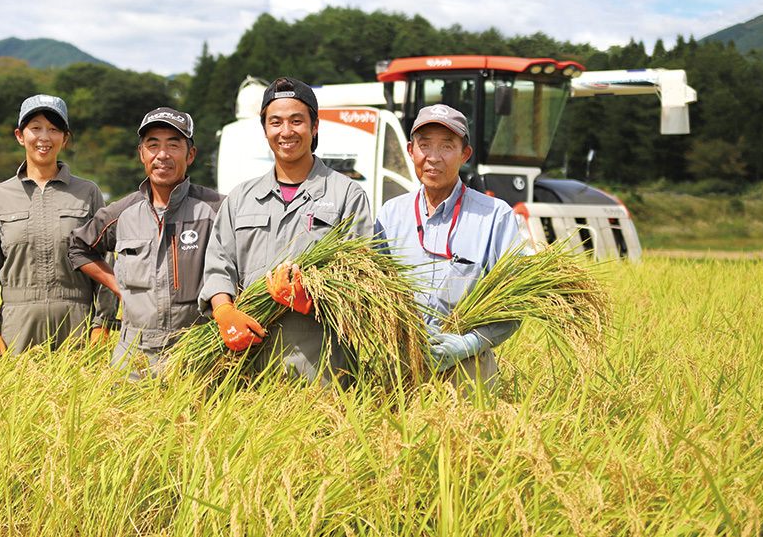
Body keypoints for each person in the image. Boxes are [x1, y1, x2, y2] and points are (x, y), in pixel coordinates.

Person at [197, 77, 373, 387]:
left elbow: (363, 280)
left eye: (297, 121)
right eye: (275, 122)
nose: (286, 131)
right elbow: (218, 265)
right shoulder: (240, 198)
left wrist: (313, 298)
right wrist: (223, 310)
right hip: (248, 367)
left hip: (323, 369)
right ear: (264, 129)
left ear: (315, 126)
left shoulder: (348, 195)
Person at [373, 104, 529, 395]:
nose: (433, 157)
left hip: (468, 372)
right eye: (425, 145)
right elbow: (371, 290)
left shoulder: (495, 216)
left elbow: (517, 299)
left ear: (464, 154)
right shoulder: (389, 215)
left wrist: (470, 342)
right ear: (410, 150)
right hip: (397, 371)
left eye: (447, 146)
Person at [68, 107, 224, 379]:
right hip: (133, 360)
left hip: (197, 355)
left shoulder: (216, 210)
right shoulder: (122, 213)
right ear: (142, 154)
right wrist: (118, 286)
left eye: (173, 145)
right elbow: (78, 247)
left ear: (191, 155)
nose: (162, 155)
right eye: (153, 145)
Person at [0, 94, 116, 358]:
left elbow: (106, 260)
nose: (44, 137)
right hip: (16, 324)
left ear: (65, 138)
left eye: (54, 129)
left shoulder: (87, 192)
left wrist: (103, 324)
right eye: (35, 128)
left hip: (77, 323)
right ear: (19, 135)